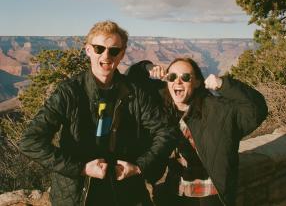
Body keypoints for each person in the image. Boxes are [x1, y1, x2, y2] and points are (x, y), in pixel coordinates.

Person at [19, 21, 177, 206]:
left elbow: (166, 131)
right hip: (77, 193)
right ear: (88, 50)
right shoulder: (69, 92)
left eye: (114, 50)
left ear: (122, 54)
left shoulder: (134, 92)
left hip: (124, 190)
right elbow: (31, 141)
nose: (106, 55)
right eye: (99, 48)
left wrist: (139, 167)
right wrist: (81, 168)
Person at [126, 58, 268, 206]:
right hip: (175, 190)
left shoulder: (217, 110)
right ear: (167, 81)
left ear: (198, 82)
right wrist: (146, 67)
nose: (178, 82)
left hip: (211, 194)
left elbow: (257, 109)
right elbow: (130, 84)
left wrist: (223, 84)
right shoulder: (163, 107)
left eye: (185, 77)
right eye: (172, 77)